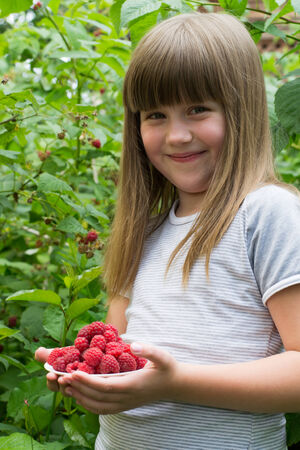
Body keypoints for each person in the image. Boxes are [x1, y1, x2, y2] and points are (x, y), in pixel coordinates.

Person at [35, 11, 300, 450]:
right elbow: (123, 358)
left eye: (197, 109)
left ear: (243, 109)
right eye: (155, 114)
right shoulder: (146, 231)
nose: (176, 135)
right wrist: (92, 377)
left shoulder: (267, 215)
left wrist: (173, 383)